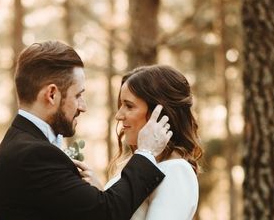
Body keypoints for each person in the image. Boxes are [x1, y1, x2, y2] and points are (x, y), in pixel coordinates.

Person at [0, 40, 173, 220]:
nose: (83, 107)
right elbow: (106, 213)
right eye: (78, 95)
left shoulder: (20, 143)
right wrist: (146, 153)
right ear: (51, 94)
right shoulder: (34, 155)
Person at [76, 65, 203, 220]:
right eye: (120, 105)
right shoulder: (140, 165)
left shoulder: (177, 170)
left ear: (161, 114)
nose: (119, 115)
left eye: (129, 106)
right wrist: (101, 196)